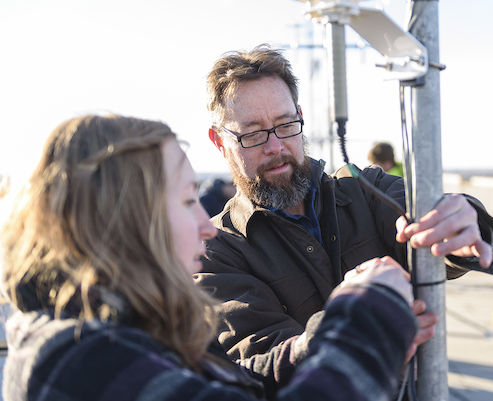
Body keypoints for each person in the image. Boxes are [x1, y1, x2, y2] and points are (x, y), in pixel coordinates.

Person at [0, 114, 419, 401]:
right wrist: (369, 319)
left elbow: (243, 385)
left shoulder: (122, 332)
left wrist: (323, 340)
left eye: (285, 124)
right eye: (186, 201)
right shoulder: (78, 359)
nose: (205, 224)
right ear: (121, 223)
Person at [197, 44, 493, 365]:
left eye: (285, 125)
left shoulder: (366, 189)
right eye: (253, 134)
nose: (275, 146)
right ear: (219, 142)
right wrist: (352, 323)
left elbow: (427, 216)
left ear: (301, 118)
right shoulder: (215, 253)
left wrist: (461, 226)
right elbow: (259, 364)